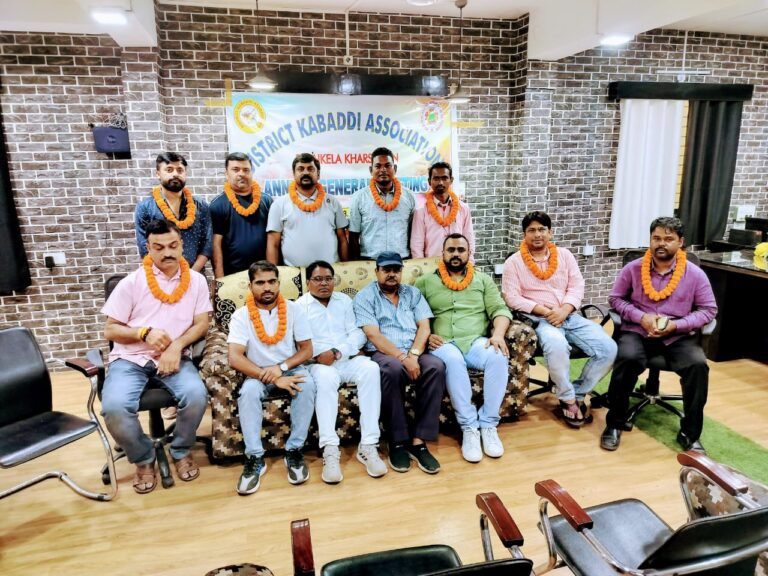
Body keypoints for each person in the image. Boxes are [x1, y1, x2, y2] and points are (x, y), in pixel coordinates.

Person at [101, 219, 211, 494]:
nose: (167, 253)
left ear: (181, 245)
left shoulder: (196, 281)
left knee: (197, 395)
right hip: (130, 359)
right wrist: (143, 332)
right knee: (114, 408)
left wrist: (176, 346)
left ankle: (181, 449)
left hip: (175, 357)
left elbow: (201, 324)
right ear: (148, 248)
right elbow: (110, 330)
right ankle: (143, 457)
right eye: (158, 247)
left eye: (173, 245)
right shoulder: (131, 283)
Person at [601, 217, 717, 453]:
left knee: (697, 367)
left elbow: (708, 310)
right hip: (638, 331)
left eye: (668, 239)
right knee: (627, 358)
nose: (661, 243)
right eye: (656, 238)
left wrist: (678, 325)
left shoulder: (695, 274)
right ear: (650, 240)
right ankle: (615, 423)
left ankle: (690, 433)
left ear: (680, 242)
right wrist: (640, 317)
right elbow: (615, 299)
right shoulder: (633, 269)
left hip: (678, 335)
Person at [416, 234, 534, 462]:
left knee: (497, 355)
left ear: (469, 253)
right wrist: (426, 335)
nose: (456, 254)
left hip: (474, 341)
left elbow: (500, 310)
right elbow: (412, 313)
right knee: (453, 360)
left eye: (461, 250)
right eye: (451, 250)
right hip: (442, 343)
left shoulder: (483, 280)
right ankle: (469, 427)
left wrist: (497, 334)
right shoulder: (425, 282)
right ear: (443, 253)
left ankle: (488, 424)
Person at [502, 211, 617, 427]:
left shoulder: (565, 255)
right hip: (539, 320)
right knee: (556, 345)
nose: (537, 234)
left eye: (542, 229)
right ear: (524, 234)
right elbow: (512, 297)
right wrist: (546, 312)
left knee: (609, 349)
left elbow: (577, 286)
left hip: (570, 316)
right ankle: (568, 400)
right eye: (532, 230)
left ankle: (577, 393)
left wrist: (564, 310)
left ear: (550, 232)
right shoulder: (514, 262)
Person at [227, 261, 316, 495]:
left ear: (278, 283)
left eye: (271, 281)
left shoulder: (294, 309)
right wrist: (272, 377)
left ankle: (294, 451)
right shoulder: (241, 316)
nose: (267, 287)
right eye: (260, 283)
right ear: (250, 286)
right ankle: (255, 457)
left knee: (307, 385)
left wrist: (281, 368)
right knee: (248, 392)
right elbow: (235, 357)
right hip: (257, 372)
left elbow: (307, 350)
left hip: (289, 368)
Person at [354, 251, 446, 474]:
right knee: (392, 370)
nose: (392, 274)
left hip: (413, 350)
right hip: (385, 353)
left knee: (436, 366)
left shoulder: (413, 293)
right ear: (376, 272)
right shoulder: (365, 297)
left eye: (396, 270)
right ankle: (396, 441)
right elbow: (373, 335)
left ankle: (418, 441)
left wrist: (413, 355)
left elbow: (424, 327)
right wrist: (403, 358)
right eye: (386, 270)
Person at [296, 261, 387, 483]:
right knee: (326, 378)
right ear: (308, 282)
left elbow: (357, 334)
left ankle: (368, 445)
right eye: (318, 279)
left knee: (371, 368)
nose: (324, 283)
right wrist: (321, 355)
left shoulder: (344, 301)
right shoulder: (299, 307)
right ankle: (330, 448)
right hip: (318, 364)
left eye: (328, 279)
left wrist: (337, 352)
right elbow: (298, 341)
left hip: (345, 359)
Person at [135, 152, 212, 273]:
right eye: (169, 170)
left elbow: (207, 244)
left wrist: (192, 275)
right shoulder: (145, 207)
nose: (175, 174)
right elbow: (145, 248)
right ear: (158, 173)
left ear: (185, 173)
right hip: (160, 277)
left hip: (196, 275)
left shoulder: (201, 206)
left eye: (180, 170)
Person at [266, 153, 348, 266]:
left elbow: (342, 239)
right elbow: (272, 243)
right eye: (300, 169)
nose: (305, 172)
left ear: (318, 174)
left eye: (310, 169)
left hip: (330, 272)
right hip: (294, 272)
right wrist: (272, 273)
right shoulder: (279, 204)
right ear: (294, 174)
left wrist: (345, 269)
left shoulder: (332, 202)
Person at [209, 152, 273, 278]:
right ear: (226, 173)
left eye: (246, 170)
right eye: (235, 170)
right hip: (233, 276)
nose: (241, 174)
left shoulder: (267, 201)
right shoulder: (217, 205)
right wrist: (220, 280)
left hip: (264, 274)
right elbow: (216, 246)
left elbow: (274, 239)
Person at [348, 147, 415, 260]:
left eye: (388, 166)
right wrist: (356, 264)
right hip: (370, 261)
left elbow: (413, 233)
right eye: (378, 166)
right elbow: (353, 236)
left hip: (401, 261)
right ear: (371, 170)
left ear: (395, 169)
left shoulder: (409, 197)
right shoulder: (359, 197)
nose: (383, 170)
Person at [410, 162, 475, 259]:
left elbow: (469, 239)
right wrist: (421, 267)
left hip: (458, 263)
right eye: (436, 178)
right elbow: (416, 245)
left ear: (451, 180)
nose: (440, 182)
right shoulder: (420, 211)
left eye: (444, 178)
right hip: (431, 265)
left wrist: (469, 263)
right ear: (429, 181)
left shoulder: (463, 208)